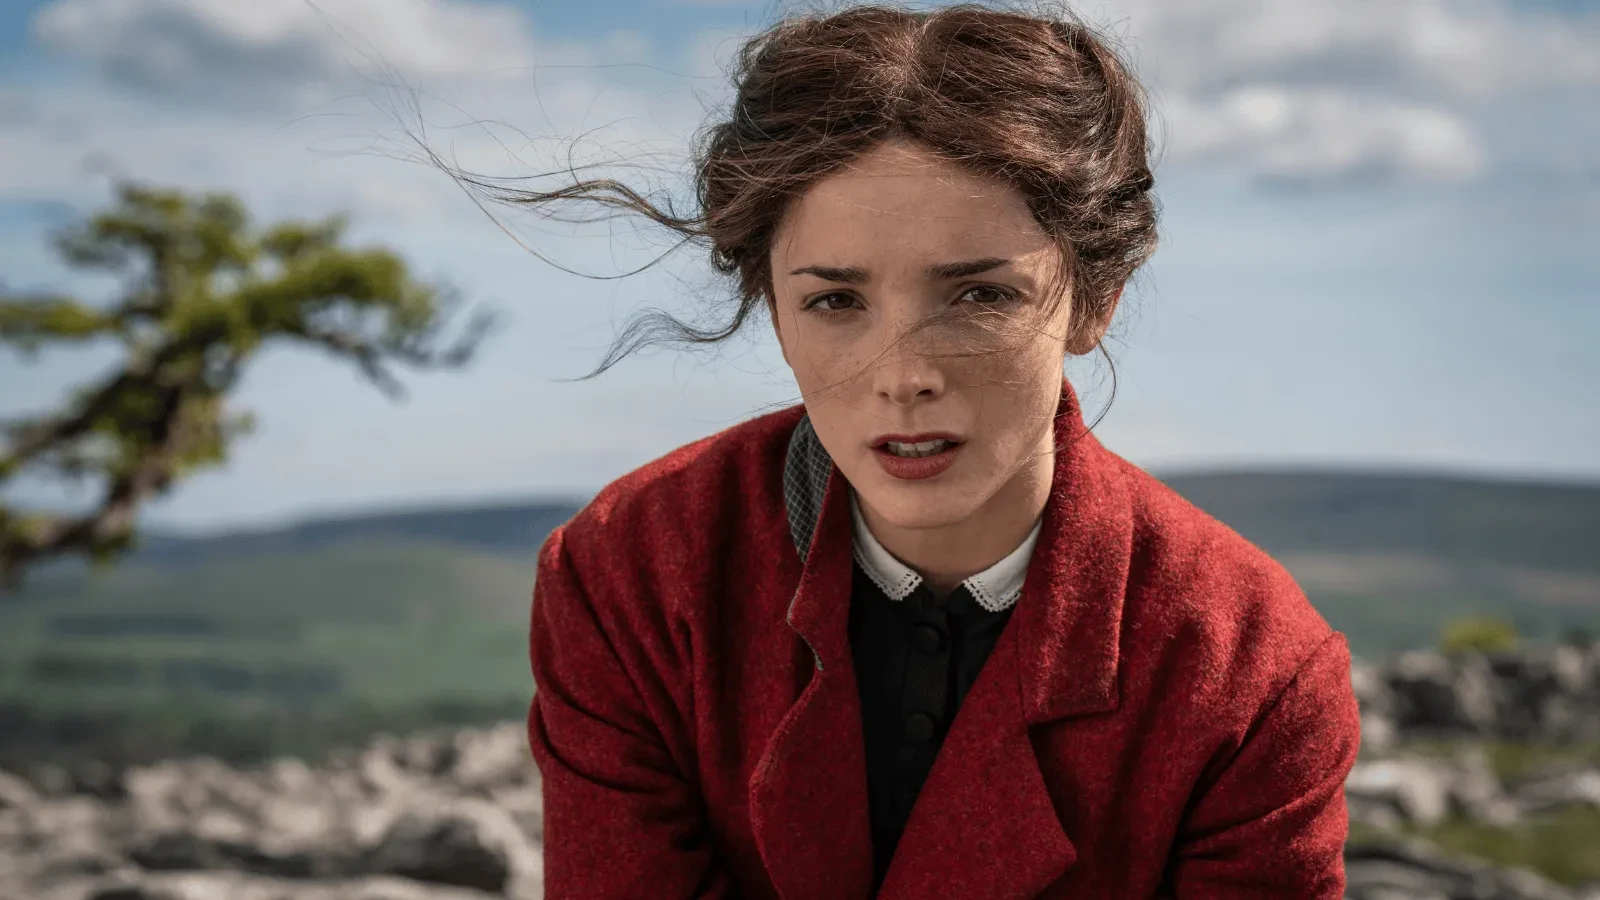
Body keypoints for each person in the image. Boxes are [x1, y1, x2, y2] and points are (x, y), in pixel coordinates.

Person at [519, 4, 1361, 898]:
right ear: (772, 304)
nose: (905, 375)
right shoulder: (633, 576)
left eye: (980, 297)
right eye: (836, 302)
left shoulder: (1251, 669)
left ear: (1096, 295)